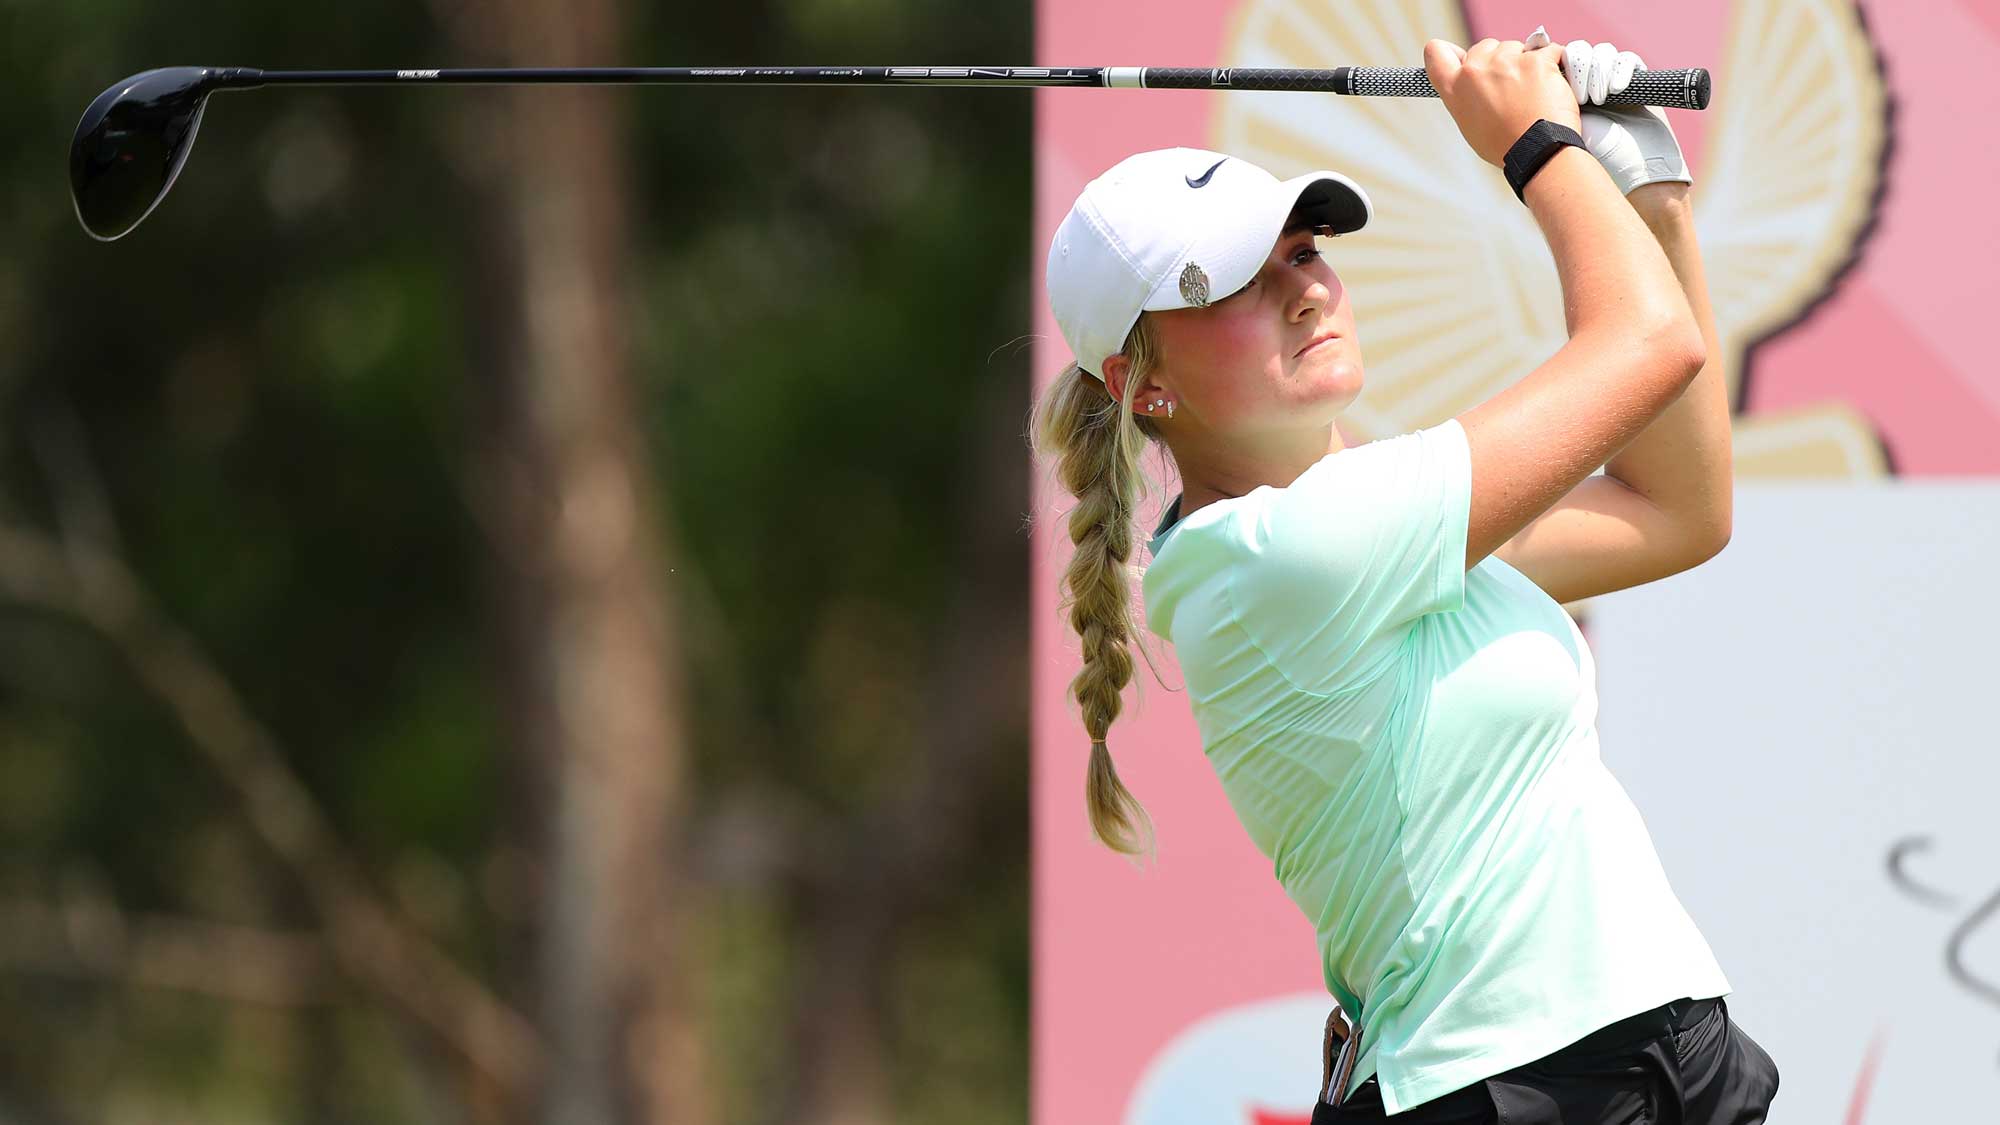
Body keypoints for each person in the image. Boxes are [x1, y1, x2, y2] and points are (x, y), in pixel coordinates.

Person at [1030, 28, 1782, 1124]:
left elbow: (1679, 511)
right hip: (1521, 1089)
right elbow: (1645, 345)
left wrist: (1647, 192)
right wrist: (1537, 151)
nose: (1303, 291)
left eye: (1302, 251)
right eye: (1236, 281)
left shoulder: (1364, 534)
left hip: (1660, 1057)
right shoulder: (1285, 556)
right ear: (1138, 383)